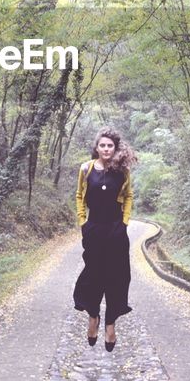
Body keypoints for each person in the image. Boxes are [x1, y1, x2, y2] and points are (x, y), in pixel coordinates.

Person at [72, 127, 136, 351]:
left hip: (117, 231)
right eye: (103, 145)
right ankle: (93, 317)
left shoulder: (122, 171)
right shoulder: (86, 169)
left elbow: (128, 196)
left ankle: (110, 324)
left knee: (117, 278)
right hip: (94, 230)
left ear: (115, 148)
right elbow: (80, 195)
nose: (106, 149)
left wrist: (125, 222)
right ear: (96, 147)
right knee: (93, 275)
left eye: (110, 145)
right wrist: (83, 222)